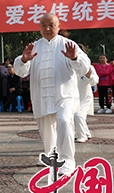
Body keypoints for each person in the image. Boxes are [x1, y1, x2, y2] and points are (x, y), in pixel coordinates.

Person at [14, 13, 90, 176]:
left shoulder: (68, 44)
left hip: (65, 95)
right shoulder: (34, 47)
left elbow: (84, 68)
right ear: (39, 27)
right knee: (46, 130)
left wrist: (75, 58)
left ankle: (68, 160)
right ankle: (50, 155)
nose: (47, 28)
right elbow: (20, 72)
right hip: (42, 96)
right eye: (43, 25)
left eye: (51, 25)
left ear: (59, 26)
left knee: (64, 120)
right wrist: (24, 60)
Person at [75, 45, 98, 143]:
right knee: (75, 116)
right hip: (73, 97)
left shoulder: (89, 67)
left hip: (85, 97)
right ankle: (87, 133)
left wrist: (89, 77)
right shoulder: (69, 67)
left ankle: (81, 136)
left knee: (78, 115)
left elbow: (95, 81)